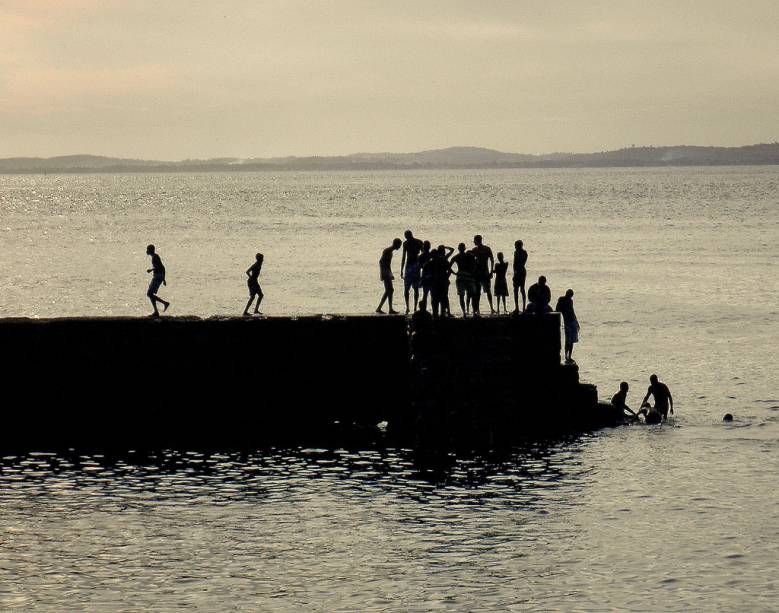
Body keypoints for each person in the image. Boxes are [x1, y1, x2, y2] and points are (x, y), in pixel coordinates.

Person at [450, 243, 478, 317]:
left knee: (462, 296)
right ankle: (473, 312)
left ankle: (464, 312)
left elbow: (448, 266)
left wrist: (454, 273)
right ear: (465, 248)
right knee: (472, 295)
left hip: (461, 276)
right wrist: (473, 272)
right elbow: (477, 264)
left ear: (458, 248)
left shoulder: (457, 256)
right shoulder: (470, 256)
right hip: (469, 276)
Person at [401, 230, 424, 314]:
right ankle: (411, 307)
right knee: (413, 288)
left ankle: (411, 307)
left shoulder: (406, 243)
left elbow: (404, 257)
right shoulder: (418, 242)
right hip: (414, 266)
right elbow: (423, 254)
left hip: (411, 266)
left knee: (410, 288)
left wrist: (402, 269)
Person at [376, 238, 402, 314]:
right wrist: (384, 274)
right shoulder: (387, 251)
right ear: (396, 244)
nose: (400, 247)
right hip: (385, 273)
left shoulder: (390, 251)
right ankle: (383, 308)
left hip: (387, 272)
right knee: (390, 290)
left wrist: (390, 273)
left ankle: (387, 308)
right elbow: (381, 262)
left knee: (389, 290)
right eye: (399, 245)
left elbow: (388, 264)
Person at [471, 235, 495, 314]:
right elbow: (471, 261)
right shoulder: (475, 250)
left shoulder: (486, 249)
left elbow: (492, 260)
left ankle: (491, 308)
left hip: (484, 273)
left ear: (477, 241)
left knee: (486, 291)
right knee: (479, 292)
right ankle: (478, 309)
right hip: (478, 273)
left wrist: (491, 271)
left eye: (475, 241)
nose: (474, 242)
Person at [555, 288, 580, 363]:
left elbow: (572, 311)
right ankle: (566, 356)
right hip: (567, 322)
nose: (570, 297)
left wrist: (577, 322)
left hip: (573, 321)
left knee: (572, 340)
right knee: (568, 340)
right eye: (569, 295)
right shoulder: (561, 299)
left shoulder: (570, 301)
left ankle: (569, 356)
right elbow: (557, 309)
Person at [145, 244, 170, 317]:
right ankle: (156, 311)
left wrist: (151, 270)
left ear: (150, 250)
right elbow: (163, 267)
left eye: (147, 249)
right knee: (150, 294)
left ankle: (164, 303)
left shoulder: (155, 257)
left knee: (149, 294)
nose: (146, 251)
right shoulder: (154, 257)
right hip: (159, 276)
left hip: (158, 276)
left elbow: (159, 267)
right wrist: (164, 279)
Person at [512, 240, 528, 313]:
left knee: (518, 290)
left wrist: (515, 273)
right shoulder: (523, 253)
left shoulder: (519, 253)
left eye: (516, 245)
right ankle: (519, 307)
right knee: (520, 289)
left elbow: (516, 263)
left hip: (520, 272)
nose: (515, 247)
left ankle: (519, 308)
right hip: (521, 271)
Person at [418, 240, 433, 311]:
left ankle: (424, 309)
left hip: (425, 275)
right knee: (432, 294)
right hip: (431, 275)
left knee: (425, 294)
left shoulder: (421, 256)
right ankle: (433, 309)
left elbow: (420, 266)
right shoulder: (431, 255)